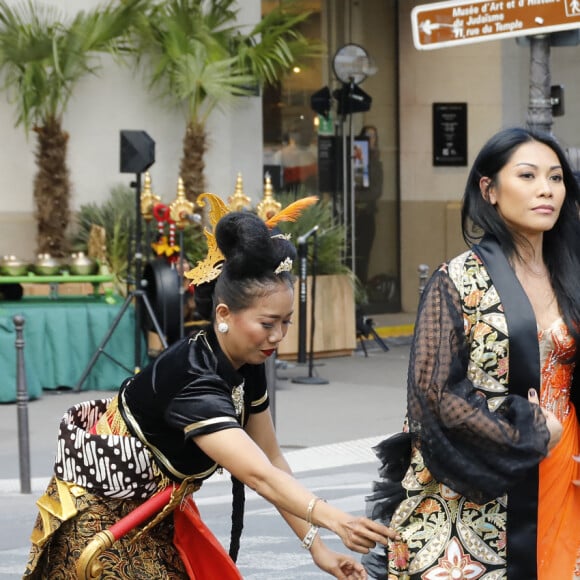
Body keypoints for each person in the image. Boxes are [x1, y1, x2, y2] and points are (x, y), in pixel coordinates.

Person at [24, 194, 397, 580]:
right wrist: (337, 520)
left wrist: (317, 547)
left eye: (286, 322)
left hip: (152, 514)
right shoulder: (191, 376)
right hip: (99, 524)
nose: (279, 336)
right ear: (224, 314)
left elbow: (270, 459)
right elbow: (259, 475)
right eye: (268, 323)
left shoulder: (247, 361)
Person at [362, 127, 580, 580]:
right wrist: (523, 437)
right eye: (528, 175)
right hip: (482, 472)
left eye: (556, 178)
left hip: (567, 460)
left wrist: (555, 435)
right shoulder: (457, 279)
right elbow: (434, 392)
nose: (546, 189)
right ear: (489, 189)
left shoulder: (573, 273)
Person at [354, 125, 383, 285]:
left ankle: (362, 287)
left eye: (373, 137)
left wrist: (357, 197)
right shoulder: (356, 159)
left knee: (364, 256)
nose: (370, 140)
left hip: (366, 215)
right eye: (367, 136)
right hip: (353, 215)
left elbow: (376, 191)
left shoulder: (376, 162)